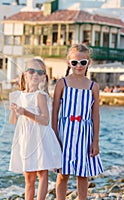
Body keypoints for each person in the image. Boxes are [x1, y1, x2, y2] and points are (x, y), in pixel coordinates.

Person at [52, 44, 104, 200]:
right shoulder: (62, 83)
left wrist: (95, 141)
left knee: (83, 173)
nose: (79, 66)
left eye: (83, 62)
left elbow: (96, 115)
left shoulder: (93, 87)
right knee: (63, 173)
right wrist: (54, 136)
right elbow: (55, 111)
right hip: (65, 133)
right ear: (69, 63)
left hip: (84, 134)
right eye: (75, 62)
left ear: (88, 63)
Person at [9, 58, 62, 200]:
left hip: (40, 136)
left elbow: (45, 120)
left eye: (39, 72)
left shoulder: (40, 96)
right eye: (32, 71)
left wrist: (25, 112)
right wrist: (14, 111)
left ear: (44, 77)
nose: (35, 75)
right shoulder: (17, 95)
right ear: (25, 74)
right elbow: (13, 121)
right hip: (25, 138)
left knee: (41, 172)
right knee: (28, 177)